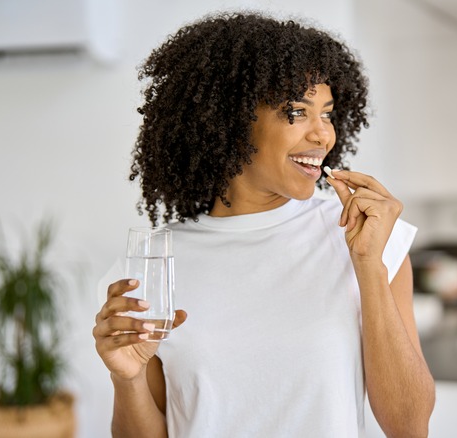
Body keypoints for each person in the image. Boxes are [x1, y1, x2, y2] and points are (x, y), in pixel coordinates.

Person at [92, 11, 435, 438]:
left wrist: (369, 266)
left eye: (326, 114)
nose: (323, 135)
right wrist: (126, 379)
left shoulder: (365, 235)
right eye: (296, 111)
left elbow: (409, 426)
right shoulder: (156, 263)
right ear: (231, 120)